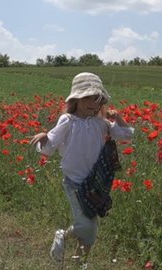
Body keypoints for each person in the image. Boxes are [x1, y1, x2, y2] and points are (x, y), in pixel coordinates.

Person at [29, 72, 134, 265]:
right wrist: (44, 138)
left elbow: (126, 135)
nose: (93, 103)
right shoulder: (68, 120)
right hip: (75, 183)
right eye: (87, 98)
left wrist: (118, 118)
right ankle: (62, 234)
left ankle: (79, 262)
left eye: (97, 99)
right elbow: (50, 147)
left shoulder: (101, 123)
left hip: (95, 184)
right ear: (76, 98)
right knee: (85, 225)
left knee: (91, 230)